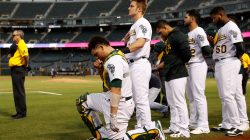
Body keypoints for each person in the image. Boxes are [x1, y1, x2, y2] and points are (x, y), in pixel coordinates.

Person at [76, 36, 165, 140]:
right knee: (83, 102)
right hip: (108, 98)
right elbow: (109, 85)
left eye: (96, 54)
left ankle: (153, 130)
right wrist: (100, 70)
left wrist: (113, 115)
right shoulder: (114, 55)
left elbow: (116, 88)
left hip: (120, 104)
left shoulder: (113, 61)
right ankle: (102, 137)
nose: (97, 58)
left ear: (101, 47)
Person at [209, 7, 246, 136]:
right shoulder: (220, 30)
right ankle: (227, 124)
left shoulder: (232, 26)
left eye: (214, 17)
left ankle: (236, 126)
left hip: (228, 61)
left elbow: (240, 46)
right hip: (221, 62)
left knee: (228, 94)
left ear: (220, 14)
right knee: (223, 96)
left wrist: (233, 59)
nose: (213, 20)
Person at [121, 0, 155, 129]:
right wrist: (125, 41)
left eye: (131, 6)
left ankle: (148, 129)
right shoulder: (135, 25)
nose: (129, 7)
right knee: (136, 99)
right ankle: (141, 126)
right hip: (133, 64)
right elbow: (132, 41)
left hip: (139, 63)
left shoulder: (143, 23)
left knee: (141, 99)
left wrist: (120, 51)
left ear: (139, 9)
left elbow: (140, 43)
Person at [155, 19, 192, 138]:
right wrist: (162, 65)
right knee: (172, 103)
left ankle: (184, 129)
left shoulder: (178, 35)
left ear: (165, 27)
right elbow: (168, 56)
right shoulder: (170, 38)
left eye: (160, 32)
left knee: (179, 102)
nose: (160, 35)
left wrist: (176, 63)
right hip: (170, 73)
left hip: (178, 73)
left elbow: (187, 54)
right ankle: (174, 127)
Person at [184, 9, 211, 134]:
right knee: (191, 97)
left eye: (186, 17)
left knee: (199, 95)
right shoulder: (189, 34)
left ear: (193, 18)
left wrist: (201, 61)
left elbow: (206, 49)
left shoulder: (199, 31)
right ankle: (193, 122)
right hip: (189, 65)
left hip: (197, 64)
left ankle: (204, 125)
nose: (184, 19)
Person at [8, 30, 29, 119]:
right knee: (16, 92)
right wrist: (11, 56)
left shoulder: (21, 44)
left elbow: (26, 55)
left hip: (18, 69)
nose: (12, 36)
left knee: (19, 92)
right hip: (15, 69)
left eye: (14, 35)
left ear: (19, 36)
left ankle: (22, 113)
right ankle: (19, 111)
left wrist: (26, 65)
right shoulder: (17, 45)